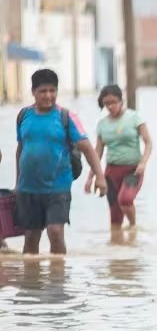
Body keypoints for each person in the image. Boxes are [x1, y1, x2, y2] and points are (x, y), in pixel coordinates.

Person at [14, 69, 106, 255]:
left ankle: (58, 278)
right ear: (33, 92)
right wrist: (17, 183)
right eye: (43, 91)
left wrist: (100, 177)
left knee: (55, 232)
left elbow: (88, 149)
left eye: (52, 90)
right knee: (31, 236)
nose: (48, 95)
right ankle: (32, 281)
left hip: (58, 188)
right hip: (28, 189)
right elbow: (21, 149)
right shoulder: (23, 116)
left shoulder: (67, 117)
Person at [85, 84, 153, 236]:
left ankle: (134, 228)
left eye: (114, 102)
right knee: (115, 218)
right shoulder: (102, 124)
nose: (111, 106)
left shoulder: (135, 118)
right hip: (111, 171)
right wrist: (92, 177)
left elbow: (148, 142)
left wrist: (143, 163)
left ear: (121, 101)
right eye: (107, 103)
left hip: (133, 170)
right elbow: (98, 152)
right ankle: (118, 251)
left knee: (125, 199)